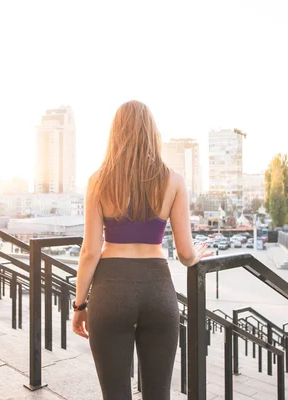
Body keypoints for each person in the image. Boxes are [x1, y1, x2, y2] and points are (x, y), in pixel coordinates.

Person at [72, 100, 212, 399]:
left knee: (115, 394)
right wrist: (197, 256)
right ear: (152, 132)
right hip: (158, 291)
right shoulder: (173, 180)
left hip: (110, 292)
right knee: (158, 394)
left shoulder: (98, 181)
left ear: (115, 134)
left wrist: (80, 305)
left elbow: (90, 252)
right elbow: (186, 254)